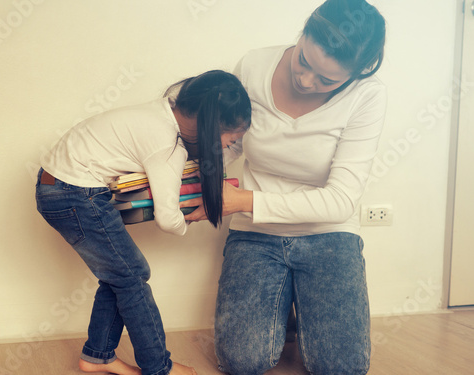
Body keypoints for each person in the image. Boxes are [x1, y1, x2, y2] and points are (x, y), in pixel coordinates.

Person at [182, 0, 386, 374]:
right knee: (242, 362)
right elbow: (233, 142)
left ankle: (297, 303)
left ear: (357, 73)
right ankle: (289, 303)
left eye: (327, 79)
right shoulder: (254, 65)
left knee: (341, 367)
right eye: (304, 62)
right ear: (305, 31)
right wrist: (191, 183)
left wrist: (240, 199)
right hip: (255, 234)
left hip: (329, 236)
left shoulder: (368, 96)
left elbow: (339, 201)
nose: (306, 81)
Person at [35, 70, 251, 375]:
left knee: (122, 275)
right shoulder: (166, 144)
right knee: (133, 276)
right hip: (73, 193)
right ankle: (158, 367)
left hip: (60, 186)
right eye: (232, 136)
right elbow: (167, 218)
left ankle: (98, 356)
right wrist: (191, 217)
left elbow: (212, 152)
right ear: (208, 124)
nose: (233, 144)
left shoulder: (164, 111)